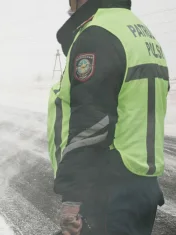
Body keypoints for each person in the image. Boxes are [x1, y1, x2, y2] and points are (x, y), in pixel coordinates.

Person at [47, 0, 169, 234]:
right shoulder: (139, 32)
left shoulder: (98, 33)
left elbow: (91, 124)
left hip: (107, 188)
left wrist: (72, 196)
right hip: (142, 185)